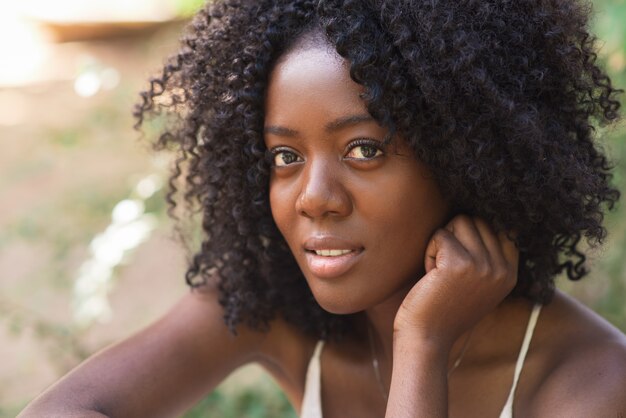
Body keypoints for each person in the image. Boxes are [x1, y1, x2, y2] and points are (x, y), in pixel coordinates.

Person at [19, 0, 626, 417]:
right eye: (285, 156)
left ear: (466, 156)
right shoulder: (274, 307)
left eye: (363, 149)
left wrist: (422, 343)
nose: (314, 197)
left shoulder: (593, 383)